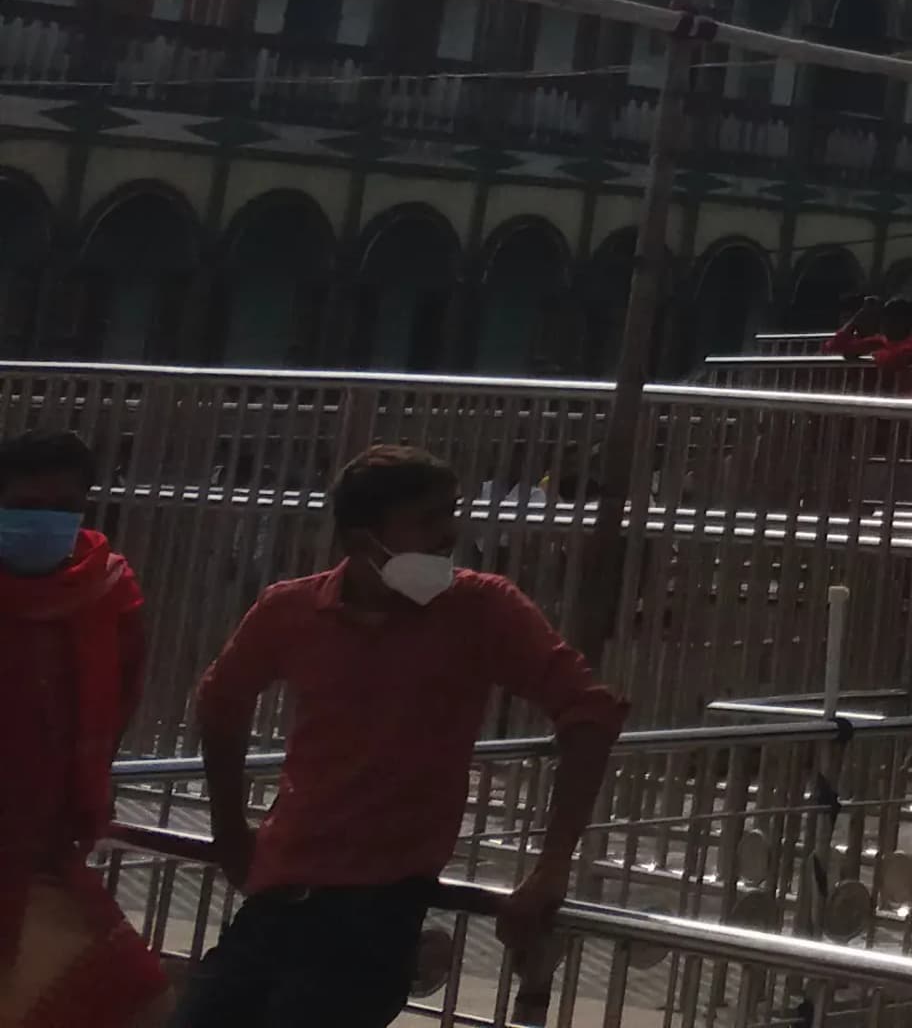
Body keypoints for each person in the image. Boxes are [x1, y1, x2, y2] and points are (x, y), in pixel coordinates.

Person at [181, 444, 626, 1028]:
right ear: (365, 538)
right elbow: (220, 703)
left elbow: (589, 714)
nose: (448, 534)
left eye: (451, 513)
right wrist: (227, 827)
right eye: (428, 520)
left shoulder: (480, 607)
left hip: (378, 905)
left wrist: (552, 865)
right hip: (281, 890)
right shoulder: (290, 610)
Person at [0, 430, 167, 1028]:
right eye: (27, 506)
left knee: (127, 996)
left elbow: (117, 704)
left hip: (47, 842)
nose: (46, 520)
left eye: (63, 507)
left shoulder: (108, 590)